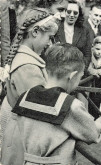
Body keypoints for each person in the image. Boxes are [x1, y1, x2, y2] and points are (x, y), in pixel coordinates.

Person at [1, 43, 101, 165]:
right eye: (79, 77)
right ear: (72, 76)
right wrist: (99, 124)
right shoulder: (70, 105)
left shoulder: (26, 95)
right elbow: (92, 134)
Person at [0, 8, 59, 150]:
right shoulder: (28, 67)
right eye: (49, 37)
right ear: (35, 32)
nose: (50, 43)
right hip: (19, 139)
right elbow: (41, 109)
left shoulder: (23, 58)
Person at [54, 1, 92, 74]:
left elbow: (87, 54)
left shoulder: (84, 30)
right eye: (69, 12)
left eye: (75, 13)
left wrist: (81, 71)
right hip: (57, 72)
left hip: (76, 72)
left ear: (79, 14)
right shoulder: (56, 27)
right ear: (64, 12)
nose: (71, 15)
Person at [87, 36, 101, 119]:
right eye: (97, 49)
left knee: (97, 102)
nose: (99, 52)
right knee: (87, 104)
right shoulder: (89, 58)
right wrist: (93, 70)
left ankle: (95, 118)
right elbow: (87, 69)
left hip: (98, 86)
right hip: (88, 85)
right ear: (92, 47)